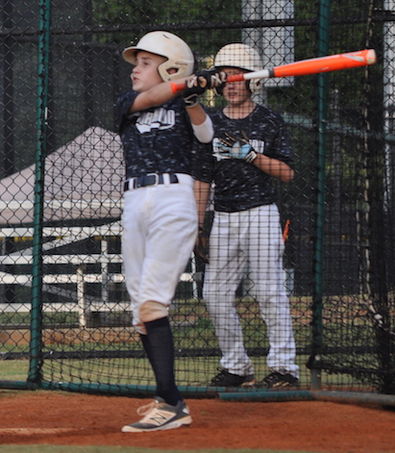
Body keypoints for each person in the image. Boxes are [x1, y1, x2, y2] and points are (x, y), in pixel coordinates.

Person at [116, 30, 220, 432]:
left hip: (172, 196)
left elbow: (206, 135)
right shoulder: (128, 103)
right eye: (137, 63)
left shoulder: (185, 105)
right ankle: (168, 398)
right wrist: (184, 85)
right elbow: (151, 98)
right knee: (140, 312)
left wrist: (193, 96)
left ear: (171, 66)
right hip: (132, 203)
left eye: (144, 63)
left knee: (152, 304)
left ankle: (172, 404)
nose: (135, 71)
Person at [194, 43, 299, 389]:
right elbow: (202, 178)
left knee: (270, 292)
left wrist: (250, 155)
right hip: (223, 217)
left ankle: (284, 369)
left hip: (261, 214)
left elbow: (287, 173)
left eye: (239, 79)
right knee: (215, 294)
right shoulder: (210, 124)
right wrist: (198, 226)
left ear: (254, 82)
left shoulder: (269, 120)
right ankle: (237, 367)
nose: (232, 85)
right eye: (226, 80)